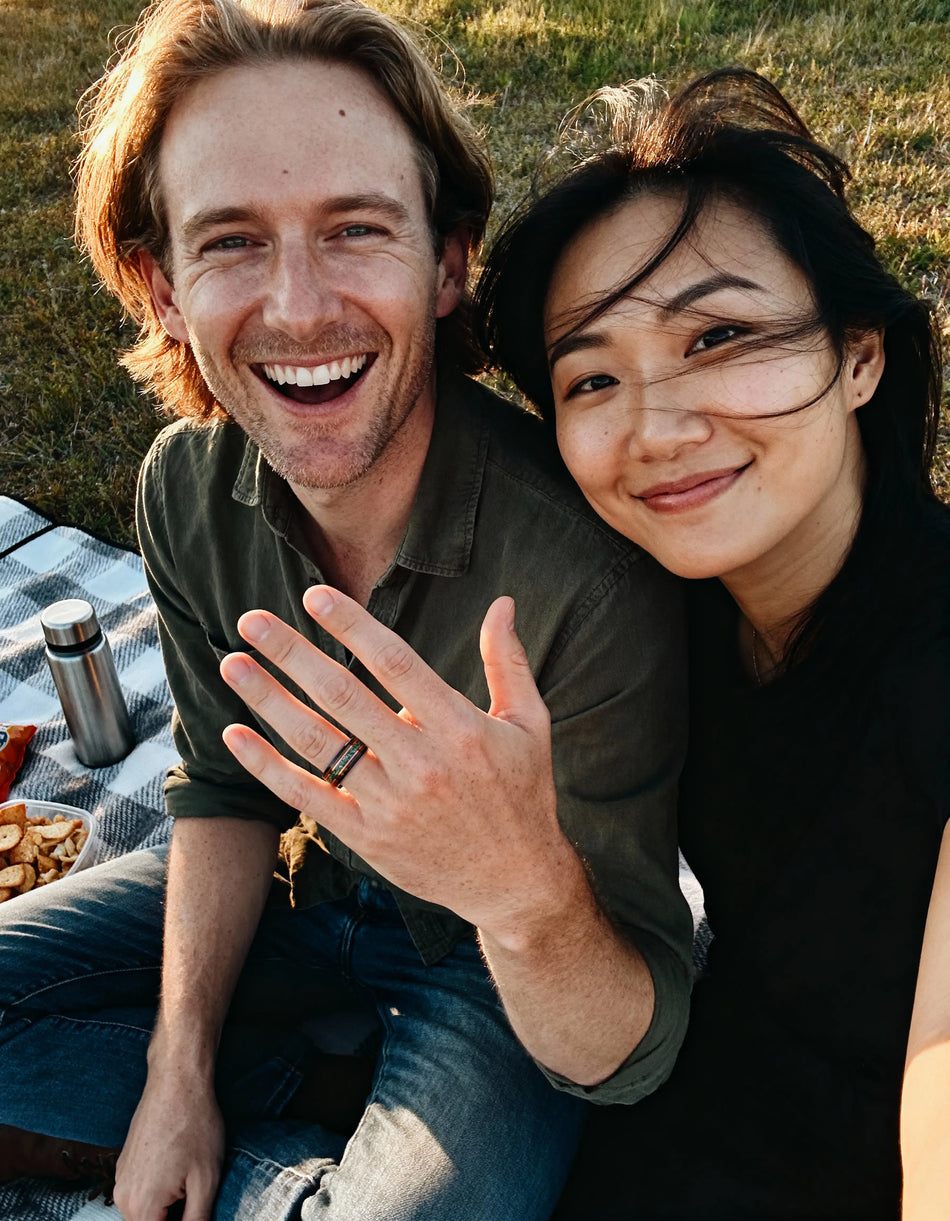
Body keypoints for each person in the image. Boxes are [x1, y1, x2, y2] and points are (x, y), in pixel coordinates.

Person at [0, 2, 694, 1219]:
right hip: (296, 891)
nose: (300, 308)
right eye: (230, 243)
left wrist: (520, 884)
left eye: (354, 230)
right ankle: (300, 1091)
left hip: (495, 959)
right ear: (161, 287)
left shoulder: (594, 581)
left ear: (447, 262)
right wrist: (177, 1075)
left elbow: (627, 1049)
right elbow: (219, 786)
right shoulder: (184, 486)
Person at [468, 68, 950, 1219]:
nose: (657, 430)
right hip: (695, 1101)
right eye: (592, 377)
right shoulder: (642, 610)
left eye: (718, 335)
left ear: (857, 354)